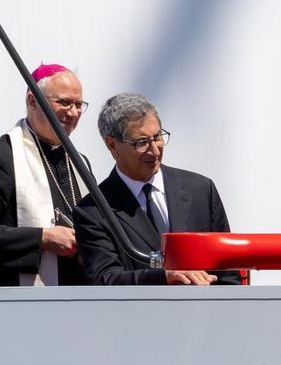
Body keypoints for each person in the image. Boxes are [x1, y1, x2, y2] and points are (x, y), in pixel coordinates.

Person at [73, 93, 238, 285]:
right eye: (141, 142)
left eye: (158, 137)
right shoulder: (93, 211)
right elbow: (105, 279)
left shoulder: (200, 190)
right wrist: (164, 277)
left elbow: (228, 271)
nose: (155, 150)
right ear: (112, 144)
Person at [0, 63, 88, 286]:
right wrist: (44, 238)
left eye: (78, 104)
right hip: (23, 304)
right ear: (32, 101)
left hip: (82, 299)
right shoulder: (2, 156)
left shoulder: (78, 161)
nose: (73, 112)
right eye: (64, 102)